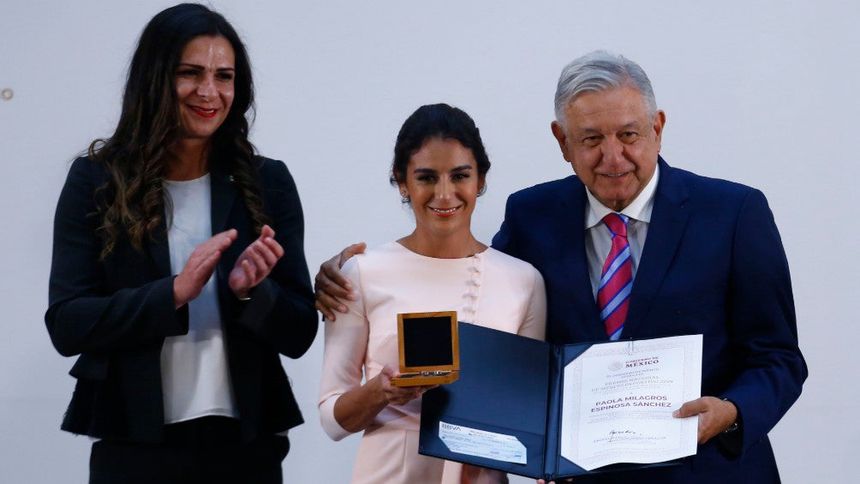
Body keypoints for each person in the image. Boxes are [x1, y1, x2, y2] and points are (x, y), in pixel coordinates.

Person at [315, 52, 806, 483]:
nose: (613, 157)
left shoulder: (734, 214)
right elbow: (486, 313)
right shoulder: (533, 217)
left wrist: (732, 411)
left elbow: (779, 357)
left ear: (657, 128)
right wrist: (344, 278)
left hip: (709, 472)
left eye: (629, 134)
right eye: (591, 138)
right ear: (562, 141)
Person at [45, 4, 317, 483]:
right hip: (135, 448)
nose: (209, 92)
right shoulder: (95, 181)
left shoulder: (268, 182)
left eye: (224, 76)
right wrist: (172, 293)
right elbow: (67, 324)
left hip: (245, 448)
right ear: (154, 79)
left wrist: (251, 293)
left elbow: (299, 333)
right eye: (190, 73)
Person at [318, 103, 546, 484]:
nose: (444, 194)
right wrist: (382, 391)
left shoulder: (524, 281)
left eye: (460, 176)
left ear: (480, 180)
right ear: (402, 181)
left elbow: (526, 411)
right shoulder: (363, 272)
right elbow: (331, 418)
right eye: (426, 177)